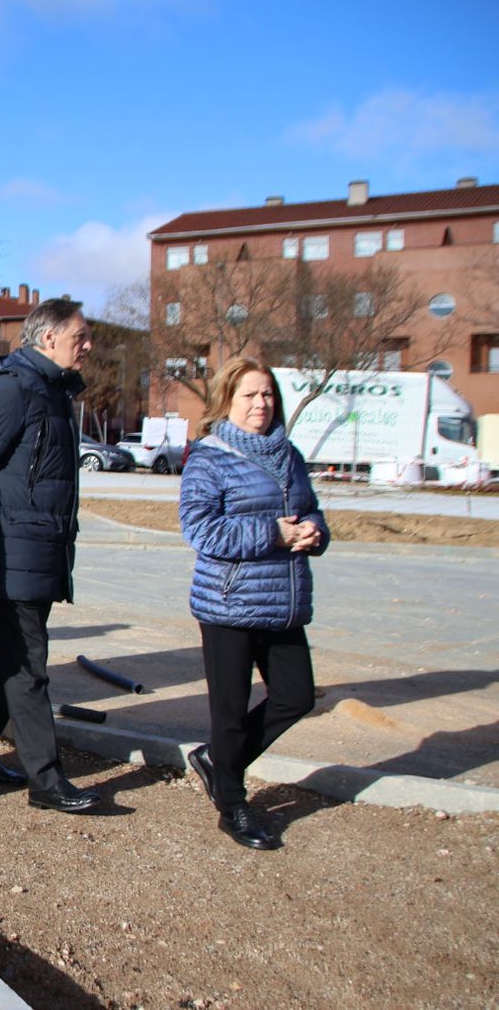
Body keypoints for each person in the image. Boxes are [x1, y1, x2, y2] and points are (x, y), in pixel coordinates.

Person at [0, 298, 103, 813]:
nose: (88, 344)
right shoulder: (16, 388)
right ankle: (47, 780)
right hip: (11, 549)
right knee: (28, 662)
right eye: (80, 335)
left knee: (10, 656)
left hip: (37, 547)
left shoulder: (52, 390)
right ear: (48, 338)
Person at [180, 356, 327, 851]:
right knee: (229, 711)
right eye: (250, 395)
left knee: (296, 696)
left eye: (267, 394)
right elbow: (199, 528)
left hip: (283, 602)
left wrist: (314, 532)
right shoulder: (210, 457)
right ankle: (233, 804)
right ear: (228, 400)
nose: (261, 404)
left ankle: (219, 763)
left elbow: (311, 510)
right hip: (229, 603)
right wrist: (274, 533)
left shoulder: (289, 454)